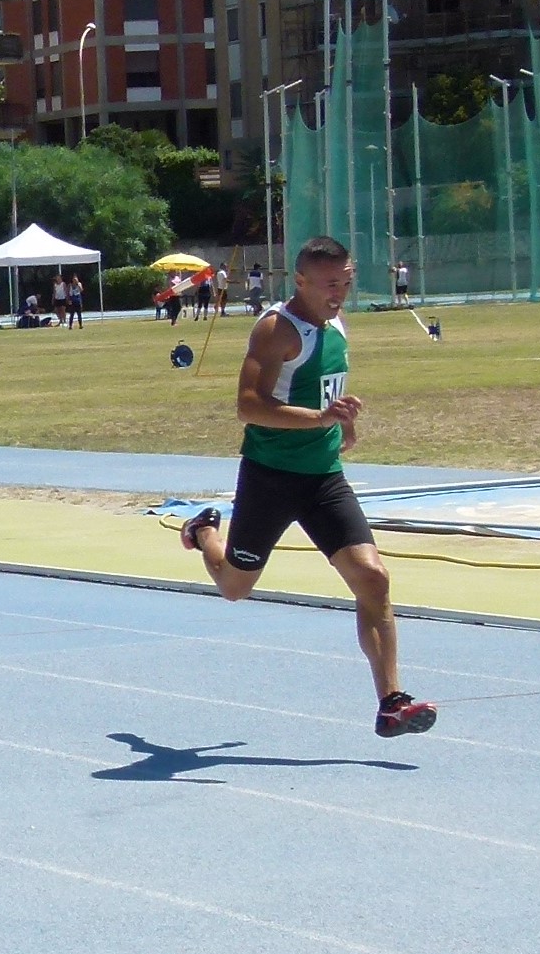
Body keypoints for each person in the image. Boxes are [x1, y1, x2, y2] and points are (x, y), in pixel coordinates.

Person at [178, 235, 436, 739]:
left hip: (323, 479)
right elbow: (248, 406)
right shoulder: (276, 329)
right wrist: (320, 418)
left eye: (346, 282)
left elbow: (327, 391)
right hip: (270, 478)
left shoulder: (336, 324)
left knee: (373, 578)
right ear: (300, 281)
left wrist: (344, 424)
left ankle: (391, 703)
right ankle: (203, 532)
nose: (339, 293)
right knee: (234, 588)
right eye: (328, 284)